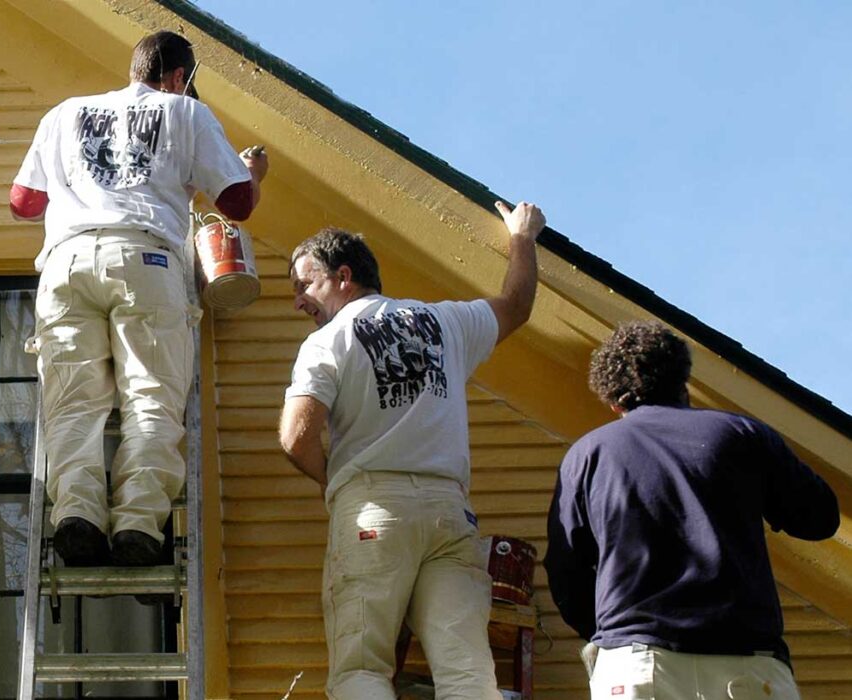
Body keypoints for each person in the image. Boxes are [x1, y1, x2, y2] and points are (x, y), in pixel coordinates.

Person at [10, 30, 269, 568]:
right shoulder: (185, 113)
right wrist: (250, 174)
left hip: (68, 262)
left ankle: (77, 514)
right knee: (150, 397)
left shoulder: (64, 113)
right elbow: (238, 202)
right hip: (145, 260)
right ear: (179, 78)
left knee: (74, 401)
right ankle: (136, 523)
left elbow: (24, 202)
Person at [278, 201, 546, 699]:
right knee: (465, 666)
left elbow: (296, 437)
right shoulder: (447, 323)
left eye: (305, 284)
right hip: (449, 513)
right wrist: (523, 237)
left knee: (362, 668)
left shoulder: (327, 341)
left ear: (343, 275)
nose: (299, 301)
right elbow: (517, 305)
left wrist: (334, 481)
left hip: (372, 509)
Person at [544, 321, 840, 699]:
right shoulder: (742, 434)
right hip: (747, 664)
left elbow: (565, 572)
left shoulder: (587, 456)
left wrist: (612, 630)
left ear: (614, 400)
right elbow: (819, 518)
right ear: (683, 379)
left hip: (637, 664)